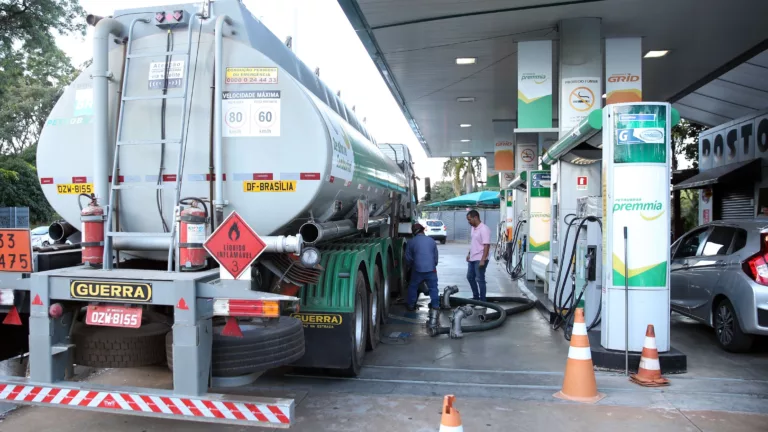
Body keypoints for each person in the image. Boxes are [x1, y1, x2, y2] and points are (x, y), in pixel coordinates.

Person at [404, 223, 439, 311]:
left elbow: (407, 258)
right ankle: (435, 306)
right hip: (431, 269)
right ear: (423, 230)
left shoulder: (411, 242)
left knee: (413, 286)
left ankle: (411, 305)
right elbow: (435, 258)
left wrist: (413, 266)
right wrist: (432, 266)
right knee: (433, 288)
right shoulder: (431, 241)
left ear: (414, 232)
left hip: (417, 269)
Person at [466, 210, 491, 302]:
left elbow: (487, 245)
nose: (469, 222)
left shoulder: (484, 229)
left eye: (469, 219)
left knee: (480, 279)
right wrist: (469, 254)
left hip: (480, 258)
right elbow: (474, 243)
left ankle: (483, 300)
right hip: (472, 257)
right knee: (470, 277)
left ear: (475, 217)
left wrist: (483, 259)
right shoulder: (473, 228)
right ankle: (476, 297)